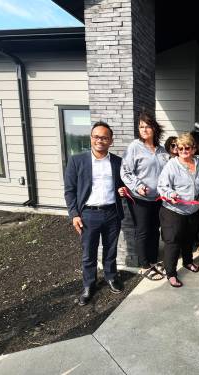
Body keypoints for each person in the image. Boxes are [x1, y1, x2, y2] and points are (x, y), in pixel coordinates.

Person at [64, 121, 125, 306]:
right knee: (88, 253)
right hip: (88, 214)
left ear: (110, 141)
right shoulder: (77, 160)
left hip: (112, 212)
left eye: (105, 137)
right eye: (97, 136)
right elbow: (69, 190)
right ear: (91, 138)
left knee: (110, 249)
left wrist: (122, 190)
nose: (100, 140)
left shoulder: (117, 162)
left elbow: (121, 185)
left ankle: (111, 277)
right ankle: (89, 285)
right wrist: (74, 214)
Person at [121, 112, 169, 280]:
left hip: (158, 199)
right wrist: (138, 186)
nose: (144, 129)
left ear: (154, 128)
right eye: (141, 126)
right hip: (139, 199)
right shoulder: (135, 146)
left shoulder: (162, 150)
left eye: (147, 126)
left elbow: (167, 174)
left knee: (155, 230)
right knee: (142, 231)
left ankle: (153, 260)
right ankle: (143, 264)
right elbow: (125, 171)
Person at [157, 133, 199, 287]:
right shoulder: (172, 165)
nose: (183, 150)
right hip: (173, 210)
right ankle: (171, 273)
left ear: (194, 148)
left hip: (192, 209)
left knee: (189, 239)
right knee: (173, 242)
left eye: (187, 147)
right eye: (180, 148)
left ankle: (188, 262)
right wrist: (171, 194)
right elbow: (162, 186)